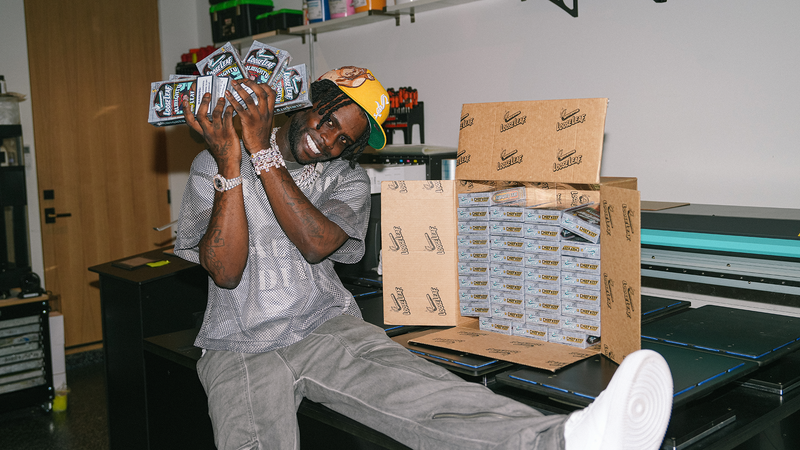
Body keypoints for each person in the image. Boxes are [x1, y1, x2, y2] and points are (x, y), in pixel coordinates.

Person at [174, 66, 674, 450]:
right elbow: (225, 269)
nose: (327, 141)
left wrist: (260, 154)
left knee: (429, 396)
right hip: (238, 345)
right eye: (327, 120)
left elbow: (316, 242)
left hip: (323, 328)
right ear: (304, 103)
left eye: (343, 139)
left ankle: (567, 440)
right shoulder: (214, 162)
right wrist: (233, 164)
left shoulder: (344, 178)